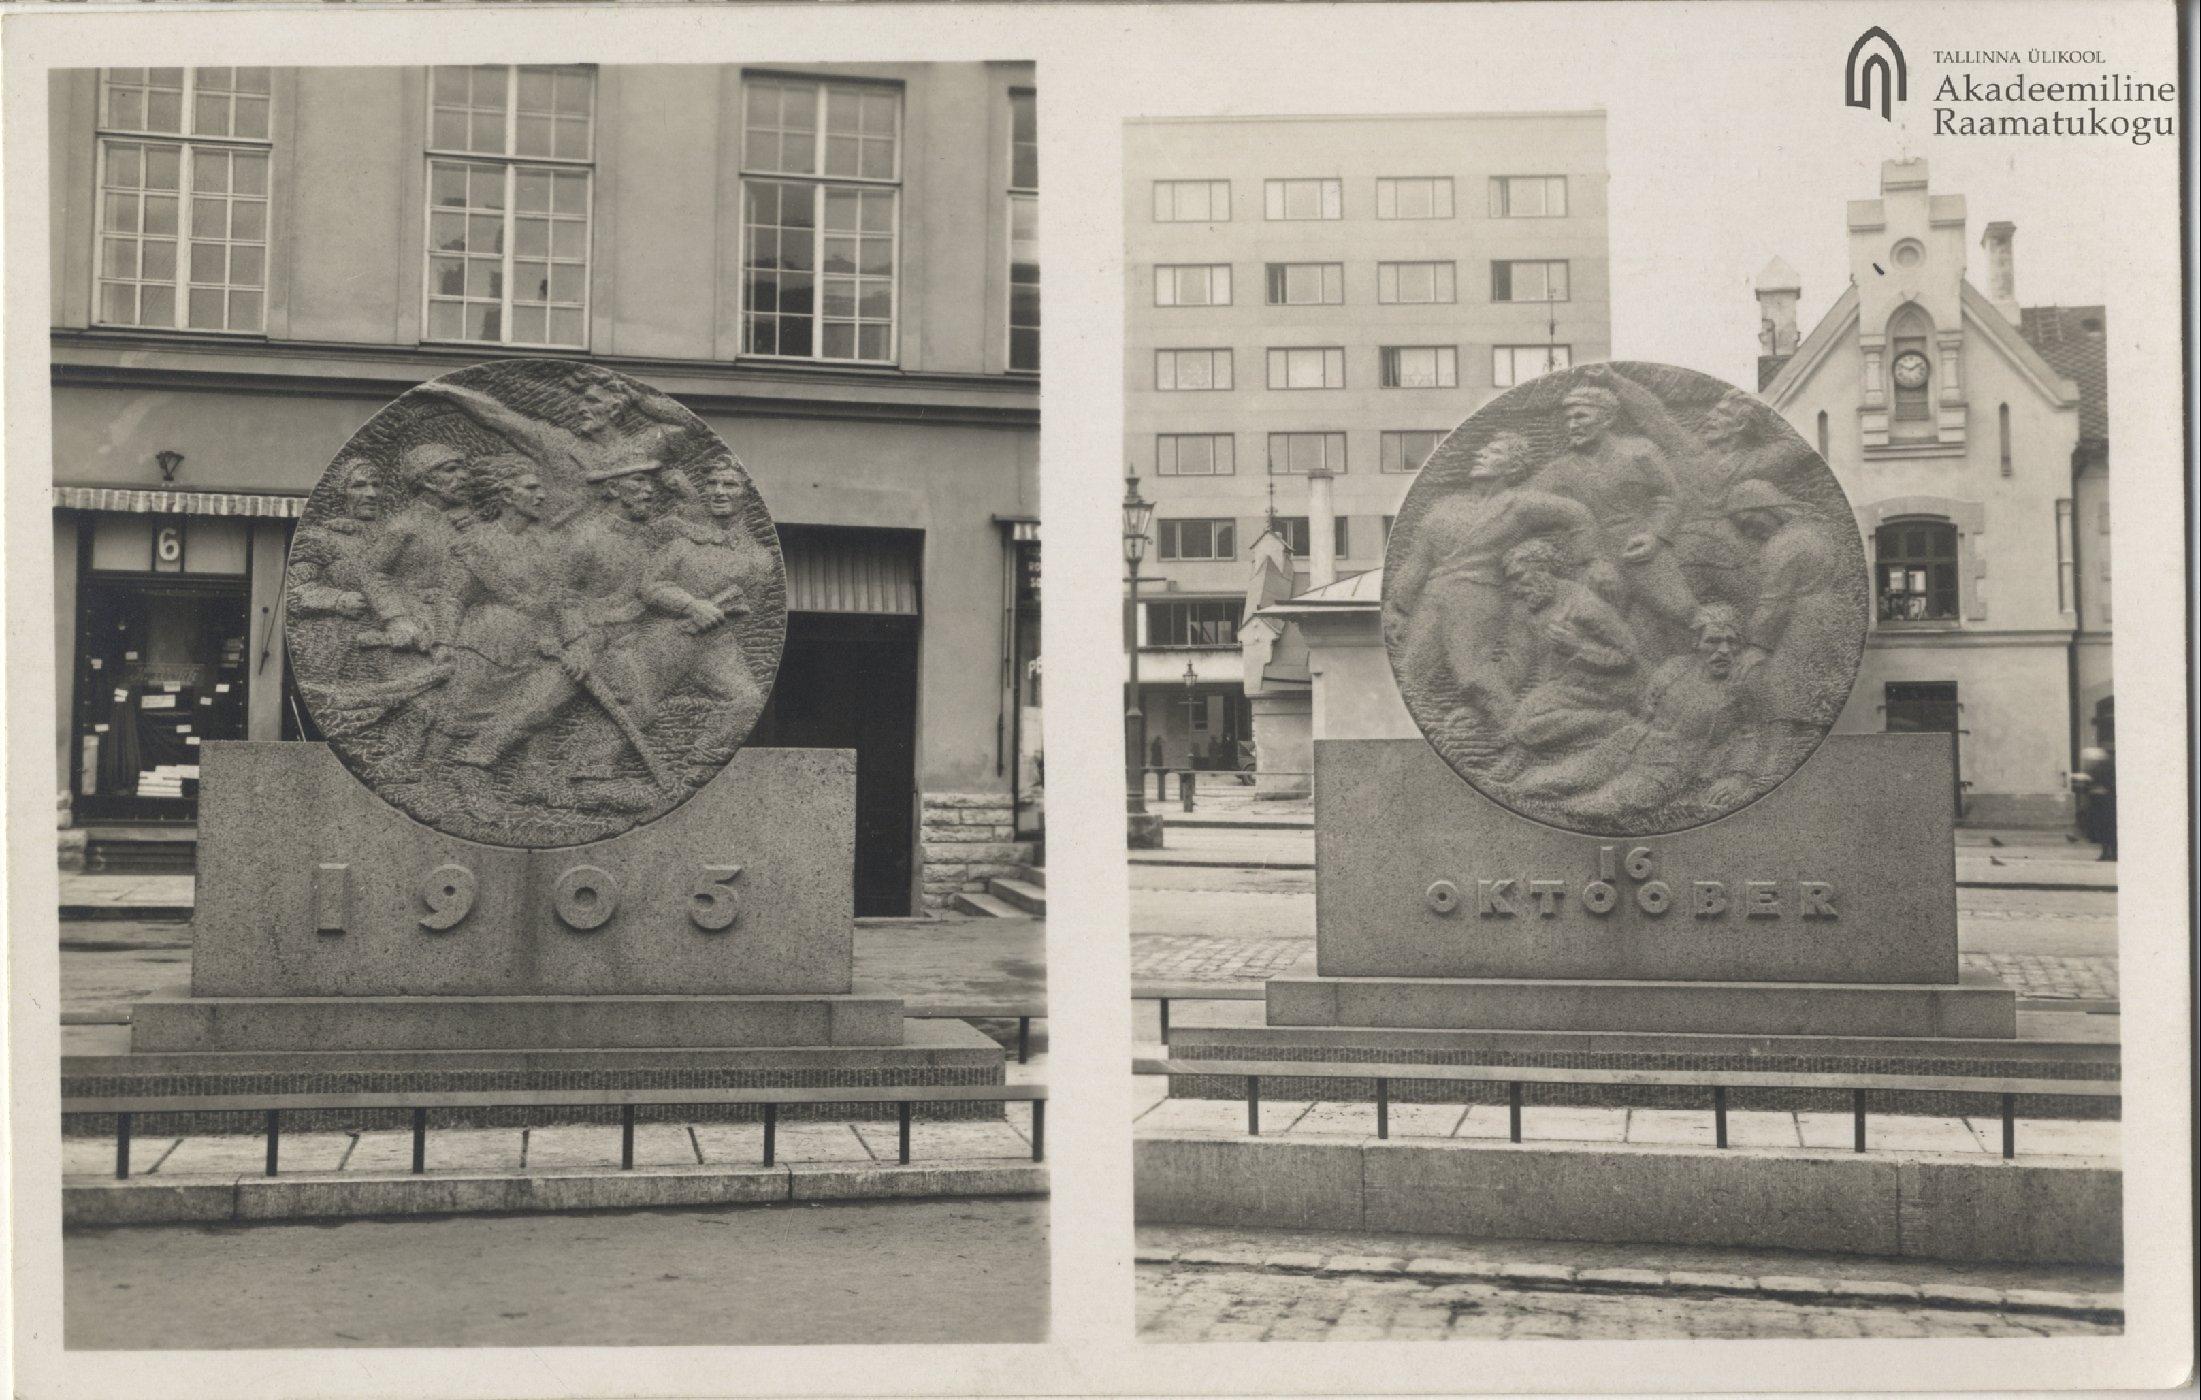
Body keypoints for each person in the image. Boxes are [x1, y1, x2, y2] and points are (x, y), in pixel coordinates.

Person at [1386, 432, 1598, 728]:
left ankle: (1517, 731)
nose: (1481, 454)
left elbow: (1579, 515)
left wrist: (1588, 562)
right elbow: (1418, 561)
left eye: (1494, 451)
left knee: (1472, 673)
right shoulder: (1444, 507)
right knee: (1411, 672)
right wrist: (1399, 607)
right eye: (1482, 450)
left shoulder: (1521, 504)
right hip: (1433, 596)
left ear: (1513, 468)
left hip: (1477, 593)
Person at [1496, 538, 1645, 799]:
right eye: (1511, 581)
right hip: (1570, 687)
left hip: (1609, 689)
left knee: (1527, 723)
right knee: (1523, 718)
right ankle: (1523, 753)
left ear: (1542, 569)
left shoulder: (1584, 605)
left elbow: (1629, 655)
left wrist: (1578, 647)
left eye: (1519, 577)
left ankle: (1615, 725)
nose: (1515, 589)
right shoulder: (1538, 607)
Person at [1725, 480, 1853, 755]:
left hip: (1802, 623)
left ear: (1768, 507)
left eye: (1749, 521)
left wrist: (1756, 648)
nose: (1749, 531)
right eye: (1742, 528)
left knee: (1783, 689)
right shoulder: (1817, 530)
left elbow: (1774, 603)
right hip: (1831, 617)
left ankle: (1779, 755)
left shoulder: (1784, 543)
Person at [2077, 742, 2117, 861]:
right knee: (2106, 829)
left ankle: (2109, 853)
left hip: (2105, 802)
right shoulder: (2103, 767)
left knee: (2107, 829)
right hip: (2101, 802)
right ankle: (2109, 853)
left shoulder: (2104, 767)